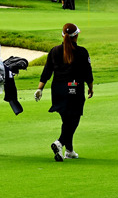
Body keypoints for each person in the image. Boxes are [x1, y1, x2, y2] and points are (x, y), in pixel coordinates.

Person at [35, 22, 94, 161]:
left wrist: (39, 88)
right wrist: (91, 87)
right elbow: (88, 73)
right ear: (77, 35)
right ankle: (59, 143)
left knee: (66, 120)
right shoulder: (82, 52)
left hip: (57, 90)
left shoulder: (54, 51)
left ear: (63, 35)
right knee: (74, 119)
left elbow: (47, 72)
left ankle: (69, 150)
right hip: (74, 87)